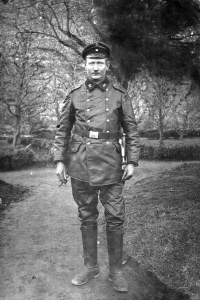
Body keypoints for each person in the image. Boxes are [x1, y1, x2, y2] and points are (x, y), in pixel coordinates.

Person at [54, 42, 140, 292]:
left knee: (115, 218)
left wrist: (132, 161)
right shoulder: (74, 94)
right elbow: (63, 130)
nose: (95, 67)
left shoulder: (120, 94)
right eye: (91, 63)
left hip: (112, 165)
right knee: (87, 216)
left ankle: (116, 270)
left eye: (99, 63)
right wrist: (59, 160)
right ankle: (91, 267)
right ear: (85, 65)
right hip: (80, 163)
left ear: (107, 65)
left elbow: (131, 130)